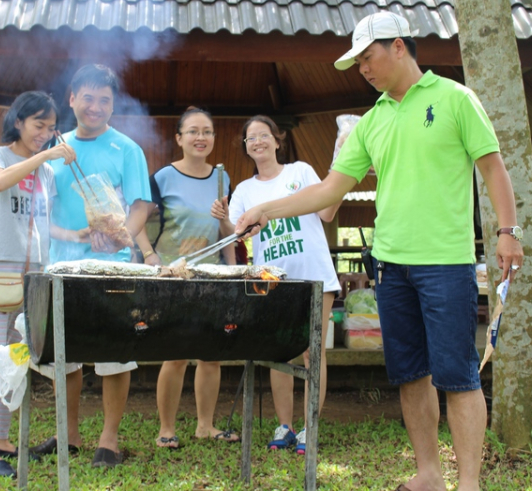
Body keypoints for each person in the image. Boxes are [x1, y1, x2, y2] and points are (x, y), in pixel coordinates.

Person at [234, 12, 524, 491]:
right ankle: (429, 473)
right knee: (411, 375)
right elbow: (328, 191)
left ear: (398, 47)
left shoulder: (455, 98)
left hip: (446, 264)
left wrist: (507, 231)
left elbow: (493, 168)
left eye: (367, 58)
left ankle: (469, 483)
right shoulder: (370, 123)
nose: (363, 70)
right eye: (357, 63)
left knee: (459, 376)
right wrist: (267, 208)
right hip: (389, 266)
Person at [32, 64, 153, 468]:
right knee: (64, 354)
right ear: (71, 99)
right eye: (88, 97)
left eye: (104, 100)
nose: (95, 107)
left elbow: (141, 205)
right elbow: (41, 207)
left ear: (113, 104)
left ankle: (109, 438)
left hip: (110, 265)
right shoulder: (56, 147)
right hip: (61, 265)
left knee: (114, 353)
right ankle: (68, 435)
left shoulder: (127, 149)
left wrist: (122, 236)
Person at [212, 115, 341, 455]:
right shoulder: (243, 190)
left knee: (313, 353)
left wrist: (341, 175)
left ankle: (309, 427)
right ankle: (285, 425)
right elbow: (237, 232)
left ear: (277, 140)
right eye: (250, 138)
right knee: (278, 352)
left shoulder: (300, 172)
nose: (257, 141)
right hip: (271, 282)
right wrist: (223, 217)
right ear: (246, 147)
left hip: (315, 277)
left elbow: (326, 212)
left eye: (263, 135)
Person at [0, 91, 76, 478]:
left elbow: (42, 222)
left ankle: (0, 439)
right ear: (19, 121)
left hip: (33, 276)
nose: (45, 134)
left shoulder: (45, 171)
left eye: (50, 128)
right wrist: (44, 155)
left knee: (13, 363)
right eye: (38, 125)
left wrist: (79, 232)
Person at [133, 107, 238, 449]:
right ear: (179, 138)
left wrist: (231, 268)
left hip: (212, 275)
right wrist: (150, 256)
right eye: (193, 131)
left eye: (207, 131)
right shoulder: (163, 177)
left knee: (211, 354)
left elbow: (229, 234)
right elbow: (135, 222)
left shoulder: (222, 179)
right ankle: (166, 429)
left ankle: (205, 425)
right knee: (176, 354)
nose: (200, 137)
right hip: (173, 276)